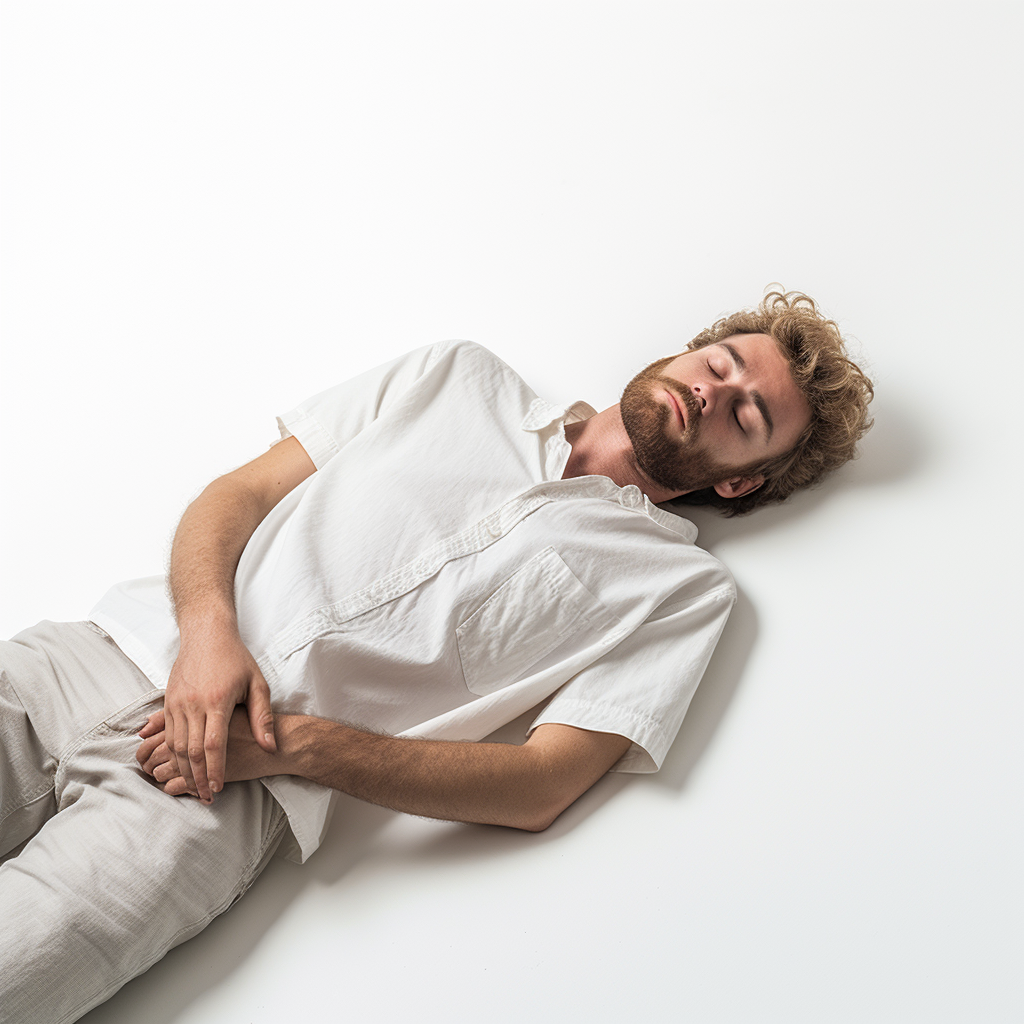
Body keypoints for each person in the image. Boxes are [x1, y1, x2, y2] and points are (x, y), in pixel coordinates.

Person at [0, 288, 872, 1023]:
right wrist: (206, 637)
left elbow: (542, 784)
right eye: (722, 366)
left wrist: (292, 747)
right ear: (691, 356)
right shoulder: (456, 374)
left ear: (741, 481)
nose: (717, 394)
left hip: (217, 797)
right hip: (83, 663)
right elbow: (239, 492)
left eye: (749, 413)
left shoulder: (683, 591)